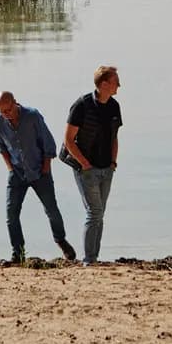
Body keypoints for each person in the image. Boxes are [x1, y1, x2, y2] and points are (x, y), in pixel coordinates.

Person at [0, 91, 76, 264]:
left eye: (8, 110)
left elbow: (48, 143)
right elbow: (2, 148)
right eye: (2, 111)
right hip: (16, 173)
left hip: (39, 171)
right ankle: (18, 253)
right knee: (11, 214)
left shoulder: (32, 116)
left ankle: (61, 240)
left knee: (51, 209)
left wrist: (46, 168)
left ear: (15, 103)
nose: (6, 114)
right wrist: (10, 169)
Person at [62, 64, 124, 264]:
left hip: (107, 168)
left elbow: (114, 137)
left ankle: (94, 257)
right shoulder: (82, 105)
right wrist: (84, 164)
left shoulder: (114, 106)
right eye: (116, 82)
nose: (119, 85)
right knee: (94, 212)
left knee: (100, 214)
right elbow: (68, 140)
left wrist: (113, 162)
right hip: (86, 169)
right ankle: (89, 260)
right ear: (104, 84)